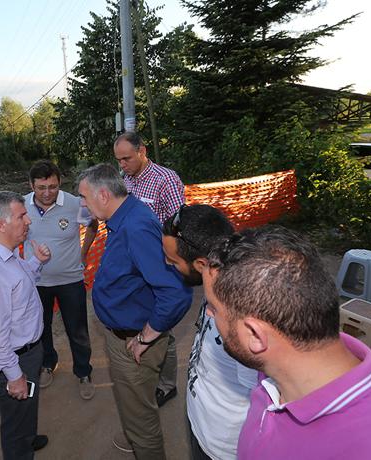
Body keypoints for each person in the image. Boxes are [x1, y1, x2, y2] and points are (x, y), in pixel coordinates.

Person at [204, 226, 371, 459]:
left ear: (255, 336)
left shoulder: (364, 446)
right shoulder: (272, 370)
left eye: (213, 308)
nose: (208, 315)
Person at [77, 164, 192, 459]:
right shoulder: (125, 216)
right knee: (137, 408)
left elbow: (174, 292)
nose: (83, 205)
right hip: (127, 333)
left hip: (133, 341)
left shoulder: (135, 226)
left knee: (141, 422)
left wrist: (144, 338)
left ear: (103, 195)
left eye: (84, 198)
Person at [161, 204, 257, 460]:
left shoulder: (245, 318)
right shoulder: (217, 283)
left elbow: (263, 401)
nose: (168, 265)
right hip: (200, 424)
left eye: (173, 261)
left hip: (222, 447)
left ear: (201, 263)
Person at [0, 191, 51, 460]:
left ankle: (29, 437)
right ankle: (22, 447)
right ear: (2, 224)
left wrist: (36, 262)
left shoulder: (8, 254)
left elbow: (20, 287)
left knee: (26, 408)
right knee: (14, 426)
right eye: (21, 216)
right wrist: (14, 376)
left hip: (28, 352)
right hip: (14, 361)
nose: (28, 221)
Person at [114, 132, 185, 409]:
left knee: (162, 325)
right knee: (144, 319)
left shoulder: (166, 180)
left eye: (127, 159)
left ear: (142, 151)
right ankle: (149, 369)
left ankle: (167, 385)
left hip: (158, 266)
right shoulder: (125, 180)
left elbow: (178, 225)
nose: (123, 165)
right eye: (119, 160)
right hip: (133, 269)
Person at [23, 160, 97, 399]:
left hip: (70, 280)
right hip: (35, 282)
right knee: (40, 328)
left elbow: (93, 224)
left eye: (52, 187)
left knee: (77, 330)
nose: (47, 193)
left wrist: (83, 253)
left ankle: (83, 372)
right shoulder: (20, 205)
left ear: (60, 183)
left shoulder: (75, 203)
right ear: (31, 185)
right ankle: (48, 363)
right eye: (41, 187)